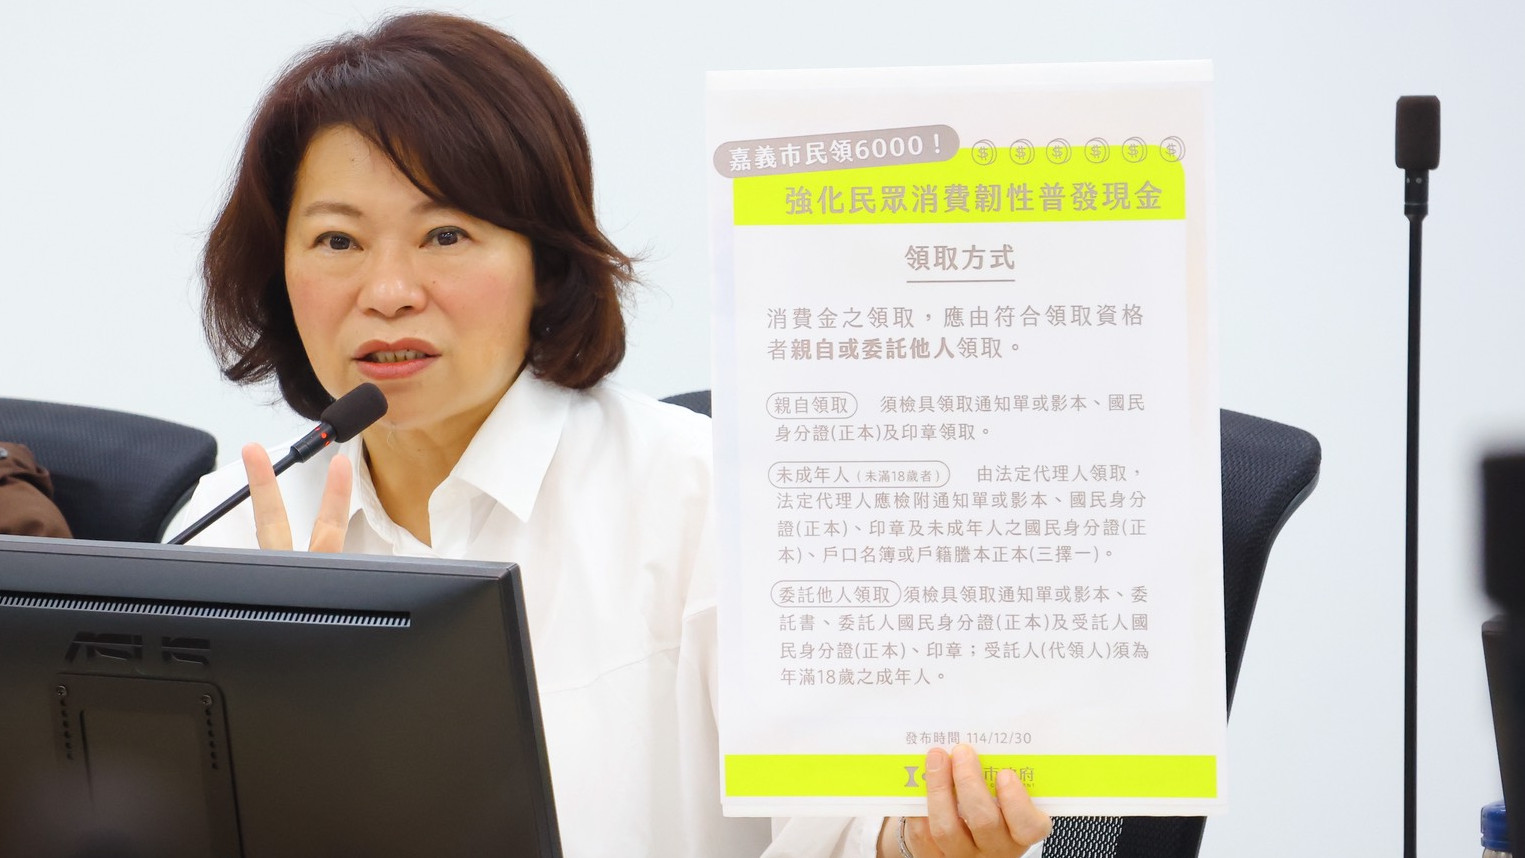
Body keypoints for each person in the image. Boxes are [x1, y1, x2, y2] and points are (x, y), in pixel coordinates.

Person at [167, 13, 1050, 857]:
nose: (388, 291)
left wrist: (922, 843)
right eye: (336, 241)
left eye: (445, 234)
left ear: (545, 265)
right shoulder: (229, 538)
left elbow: (844, 830)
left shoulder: (707, 502)